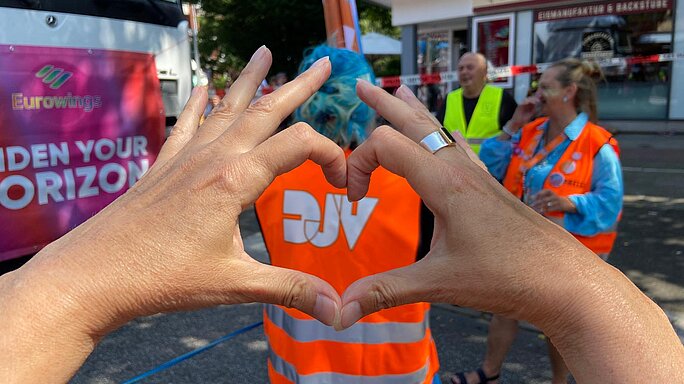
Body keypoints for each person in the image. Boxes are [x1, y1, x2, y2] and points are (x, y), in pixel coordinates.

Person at [2, 46, 683, 384]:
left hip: (295, 368)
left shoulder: (259, 181)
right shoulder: (422, 187)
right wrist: (584, 292)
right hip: (399, 370)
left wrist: (57, 292)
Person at [255, 45, 440, 384]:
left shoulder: (269, 178)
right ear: (366, 104)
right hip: (397, 371)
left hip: (299, 369)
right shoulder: (413, 181)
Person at [451, 58, 624, 384]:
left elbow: (610, 203)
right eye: (538, 86)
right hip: (524, 243)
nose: (537, 93)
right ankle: (489, 373)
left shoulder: (598, 143)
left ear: (568, 92)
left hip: (571, 251)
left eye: (545, 87)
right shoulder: (530, 131)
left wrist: (570, 202)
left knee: (560, 322)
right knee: (505, 308)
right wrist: (514, 123)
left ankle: (559, 382)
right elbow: (491, 164)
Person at [436, 52, 517, 154]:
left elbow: (515, 134)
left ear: (484, 71)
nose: (464, 72)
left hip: (489, 166)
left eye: (470, 68)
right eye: (460, 68)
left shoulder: (501, 97)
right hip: (455, 165)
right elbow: (437, 131)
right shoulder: (450, 98)